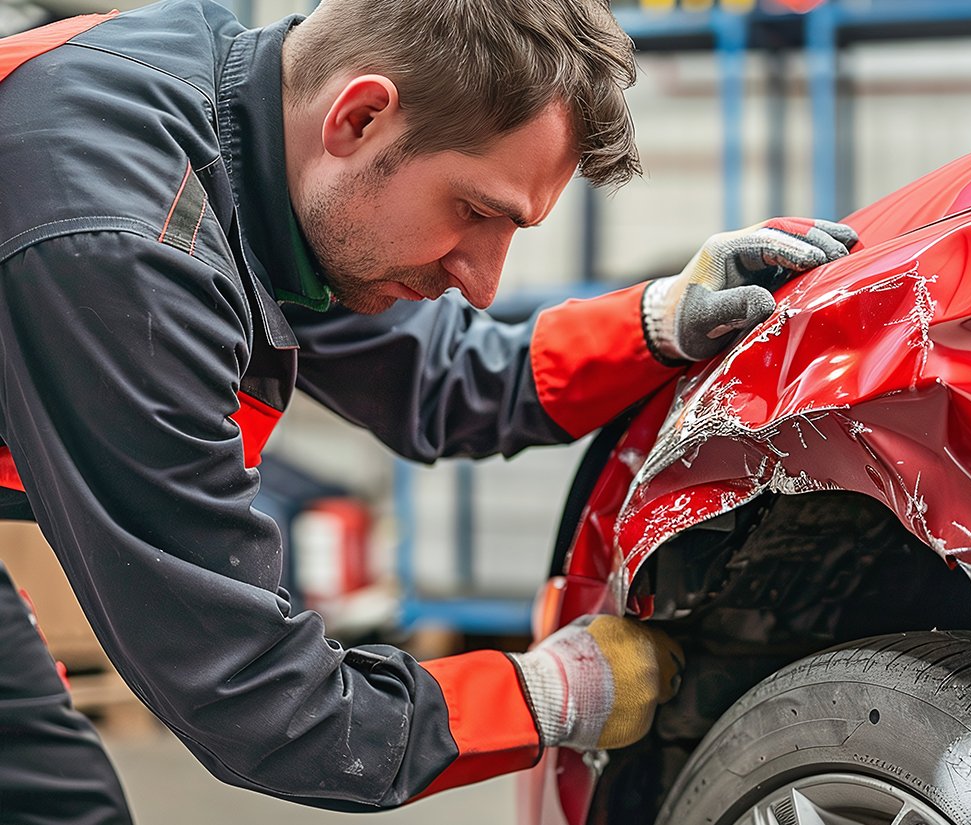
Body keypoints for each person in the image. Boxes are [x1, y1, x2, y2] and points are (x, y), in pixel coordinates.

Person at [0, 0, 858, 819]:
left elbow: (438, 378)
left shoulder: (248, 136)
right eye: (474, 212)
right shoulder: (123, 249)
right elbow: (257, 698)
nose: (482, 284)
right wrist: (552, 694)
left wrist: (659, 323)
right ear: (360, 118)